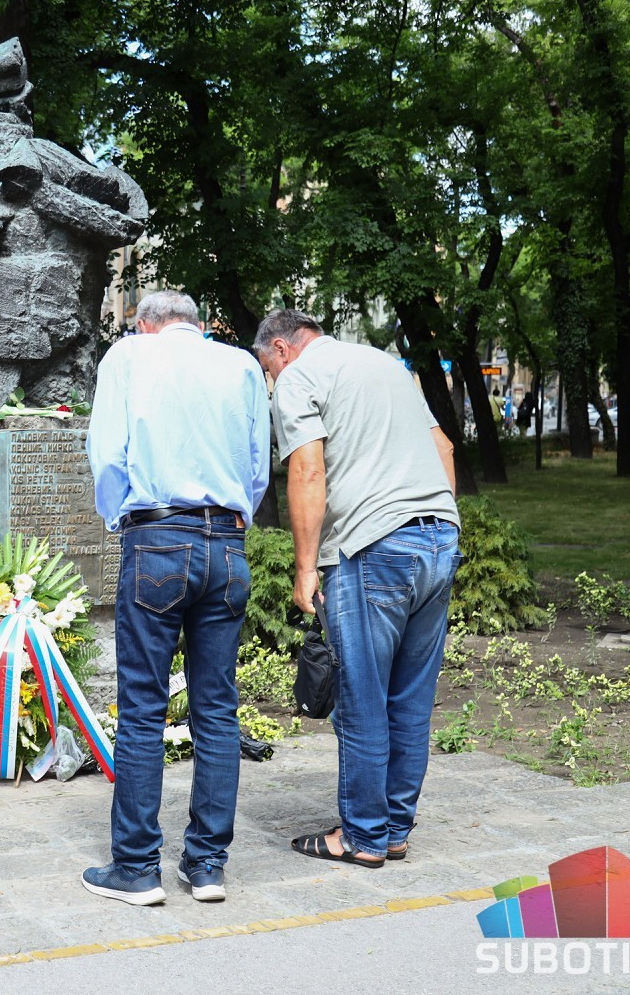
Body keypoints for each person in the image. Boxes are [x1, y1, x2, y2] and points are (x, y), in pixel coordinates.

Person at [253, 310, 460, 868]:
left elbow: (307, 471)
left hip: (371, 548)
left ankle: (363, 837)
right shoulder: (386, 364)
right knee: (410, 700)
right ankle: (393, 830)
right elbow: (444, 449)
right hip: (438, 540)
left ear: (281, 348)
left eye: (268, 369)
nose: (271, 381)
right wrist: (443, 524)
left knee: (362, 696)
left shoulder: (299, 377)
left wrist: (305, 568)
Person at [84, 290, 271, 905]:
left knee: (143, 707)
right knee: (217, 708)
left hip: (158, 537)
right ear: (197, 323)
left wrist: (122, 520)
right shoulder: (242, 364)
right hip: (227, 544)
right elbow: (256, 467)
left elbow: (108, 456)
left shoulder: (128, 356)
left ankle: (137, 868)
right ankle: (208, 865)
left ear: (145, 324)